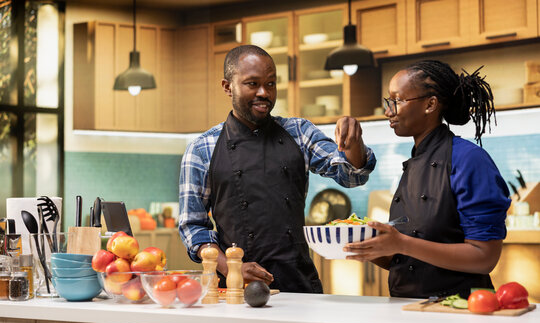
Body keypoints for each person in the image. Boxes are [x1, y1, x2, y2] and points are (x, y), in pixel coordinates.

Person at [178, 45, 376, 293]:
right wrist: (230, 267)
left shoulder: (299, 132)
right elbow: (192, 226)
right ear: (227, 87)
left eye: (270, 84)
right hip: (237, 288)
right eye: (252, 84)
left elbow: (350, 176)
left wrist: (353, 143)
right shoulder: (201, 149)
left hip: (299, 284)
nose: (264, 92)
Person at [344, 60, 510, 299]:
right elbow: (412, 259)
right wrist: (370, 249)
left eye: (398, 100)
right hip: (409, 308)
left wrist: (401, 244)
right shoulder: (413, 163)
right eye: (388, 102)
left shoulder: (469, 159)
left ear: (430, 104)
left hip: (460, 310)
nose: (388, 110)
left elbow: (484, 257)